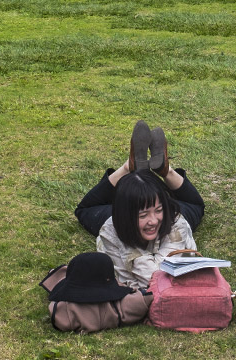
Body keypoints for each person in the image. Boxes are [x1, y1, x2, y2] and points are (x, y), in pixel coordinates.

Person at [74, 121, 205, 289]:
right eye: (143, 215)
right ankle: (128, 168)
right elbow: (153, 282)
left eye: (158, 210)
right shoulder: (110, 231)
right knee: (86, 211)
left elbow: (156, 280)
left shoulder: (175, 221)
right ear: (124, 215)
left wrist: (157, 213)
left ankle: (166, 171)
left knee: (194, 205)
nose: (153, 221)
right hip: (122, 217)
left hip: (169, 215)